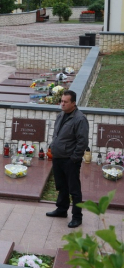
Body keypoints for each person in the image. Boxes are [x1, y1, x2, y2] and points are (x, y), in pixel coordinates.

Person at [46, 90, 88, 228]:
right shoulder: (61, 115)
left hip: (70, 160)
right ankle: (62, 210)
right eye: (61, 101)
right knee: (61, 186)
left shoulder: (80, 119)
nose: (62, 104)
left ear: (73, 103)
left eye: (65, 102)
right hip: (58, 158)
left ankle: (77, 217)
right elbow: (57, 135)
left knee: (74, 190)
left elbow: (82, 141)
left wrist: (74, 158)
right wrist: (53, 146)